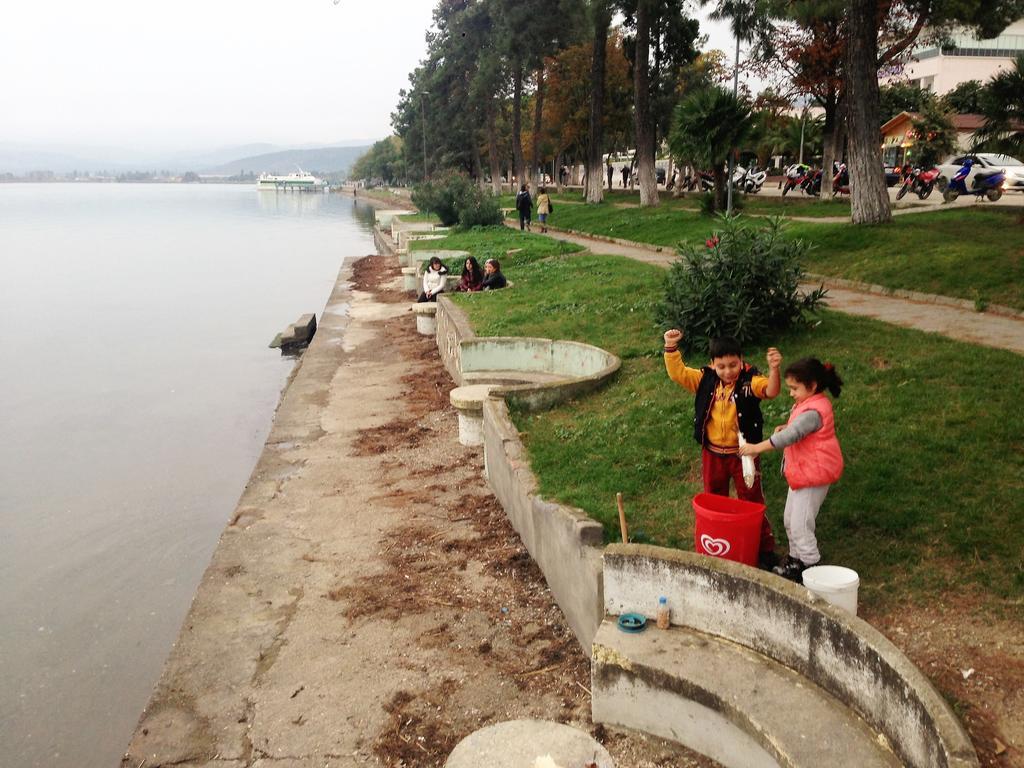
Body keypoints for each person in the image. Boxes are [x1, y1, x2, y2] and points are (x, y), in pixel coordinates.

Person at [663, 330, 782, 568]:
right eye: (721, 366)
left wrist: (774, 370)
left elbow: (770, 390)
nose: (728, 371)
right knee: (714, 498)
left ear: (742, 360)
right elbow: (678, 374)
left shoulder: (750, 380)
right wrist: (670, 347)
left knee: (751, 500)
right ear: (712, 365)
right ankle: (719, 541)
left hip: (744, 455)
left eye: (733, 365)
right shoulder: (705, 380)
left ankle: (764, 548)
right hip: (713, 454)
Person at [738, 358, 844, 583]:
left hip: (813, 476)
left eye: (794, 388)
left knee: (800, 523)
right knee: (790, 520)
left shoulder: (813, 411)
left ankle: (809, 565)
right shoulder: (810, 404)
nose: (791, 393)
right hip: (803, 474)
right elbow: (798, 429)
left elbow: (792, 436)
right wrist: (788, 426)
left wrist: (757, 447)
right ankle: (796, 559)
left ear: (812, 386)